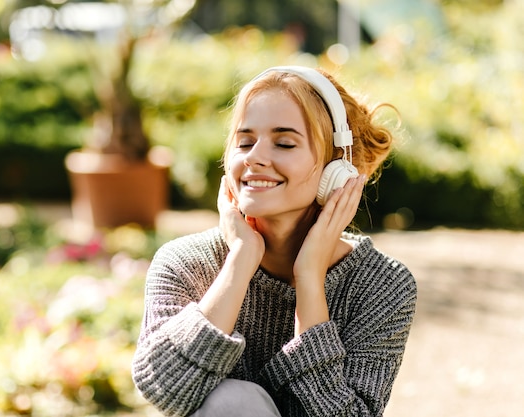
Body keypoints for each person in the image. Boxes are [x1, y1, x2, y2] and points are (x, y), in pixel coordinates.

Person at [131, 65, 417, 417]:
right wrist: (240, 260)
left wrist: (310, 279)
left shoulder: (382, 284)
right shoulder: (184, 262)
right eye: (245, 142)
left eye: (284, 143)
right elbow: (164, 389)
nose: (254, 157)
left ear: (336, 168)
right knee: (234, 402)